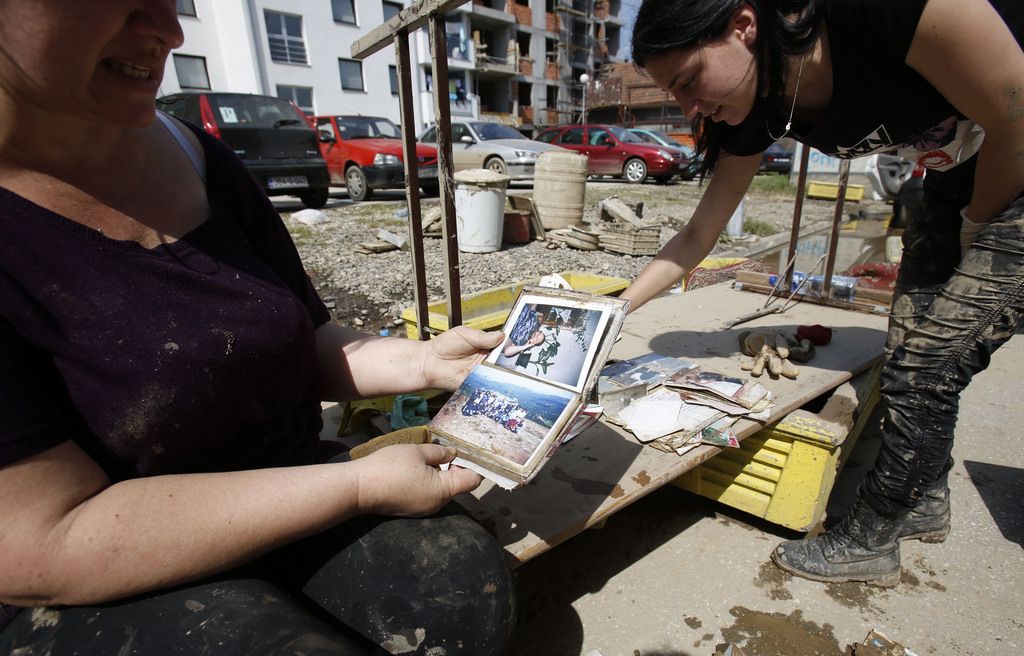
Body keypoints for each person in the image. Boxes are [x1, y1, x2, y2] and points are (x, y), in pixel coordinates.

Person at [0, 2, 515, 654]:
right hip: (97, 560)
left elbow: (304, 339)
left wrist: (426, 363)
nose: (168, 29)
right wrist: (356, 484)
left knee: (459, 590)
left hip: (282, 485)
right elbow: (43, 544)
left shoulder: (199, 157)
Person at [624, 0, 1024, 586]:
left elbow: (1017, 106)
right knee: (908, 346)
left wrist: (976, 225)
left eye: (688, 81)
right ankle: (924, 497)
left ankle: (874, 534)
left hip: (1013, 153)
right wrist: (613, 308)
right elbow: (697, 233)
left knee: (929, 359)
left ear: (743, 26)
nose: (689, 107)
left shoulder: (873, 13)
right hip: (954, 173)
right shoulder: (757, 105)